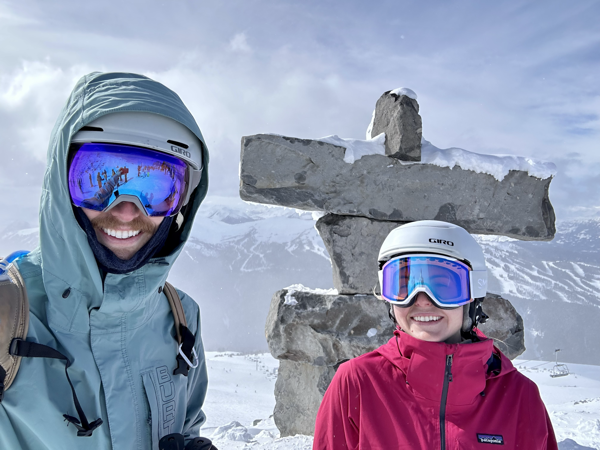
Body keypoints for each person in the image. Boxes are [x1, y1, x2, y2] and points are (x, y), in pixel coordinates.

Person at [0, 72, 215, 450]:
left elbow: (187, 423)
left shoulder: (182, 319)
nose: (128, 210)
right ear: (61, 180)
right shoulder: (7, 318)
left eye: (156, 186)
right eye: (100, 178)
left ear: (182, 201)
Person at [313, 220, 558, 449]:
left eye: (443, 285)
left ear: (474, 293)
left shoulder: (517, 396)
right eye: (403, 286)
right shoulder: (358, 383)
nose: (422, 301)